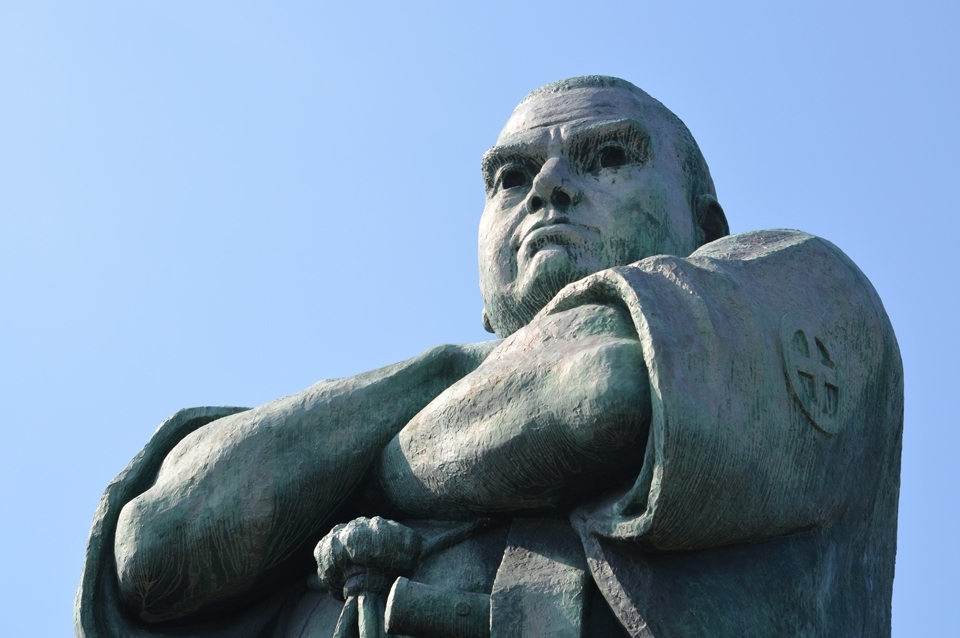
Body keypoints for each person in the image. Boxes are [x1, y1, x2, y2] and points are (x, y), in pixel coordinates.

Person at [76, 76, 902, 637]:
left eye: (610, 158)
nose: (549, 188)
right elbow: (158, 546)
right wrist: (447, 373)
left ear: (705, 230)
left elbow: (601, 393)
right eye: (510, 177)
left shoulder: (801, 285)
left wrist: (364, 466)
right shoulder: (422, 387)